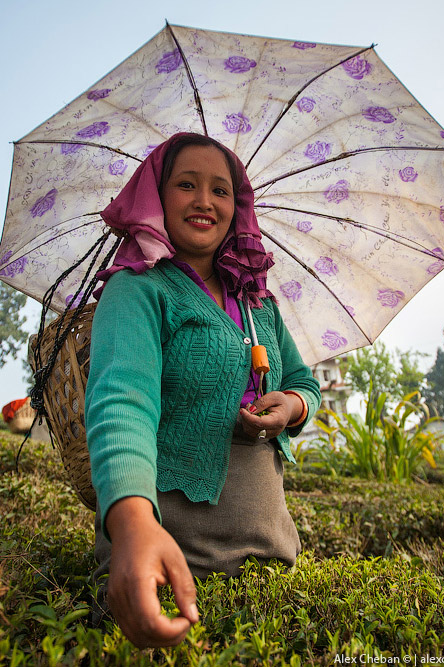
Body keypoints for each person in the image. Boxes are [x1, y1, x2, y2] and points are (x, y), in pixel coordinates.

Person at [84, 133, 321, 648]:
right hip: (170, 562)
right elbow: (123, 403)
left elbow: (304, 381)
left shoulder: (260, 303)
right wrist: (131, 528)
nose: (204, 201)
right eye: (186, 184)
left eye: (221, 190)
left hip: (273, 560)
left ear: (238, 207)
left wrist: (294, 405)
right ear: (156, 196)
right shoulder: (137, 289)